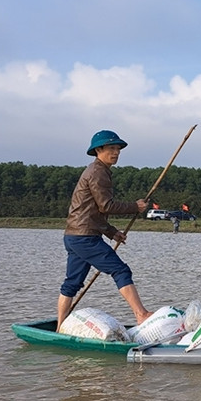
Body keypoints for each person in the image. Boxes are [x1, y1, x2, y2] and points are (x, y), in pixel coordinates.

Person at [57, 130, 152, 332]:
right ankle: (141, 315)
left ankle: (60, 328)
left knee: (71, 283)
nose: (116, 152)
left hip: (75, 236)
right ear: (98, 150)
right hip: (85, 238)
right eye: (112, 148)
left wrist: (111, 232)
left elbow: (92, 211)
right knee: (120, 270)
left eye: (118, 149)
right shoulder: (98, 172)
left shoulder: (98, 171)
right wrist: (135, 207)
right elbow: (106, 206)